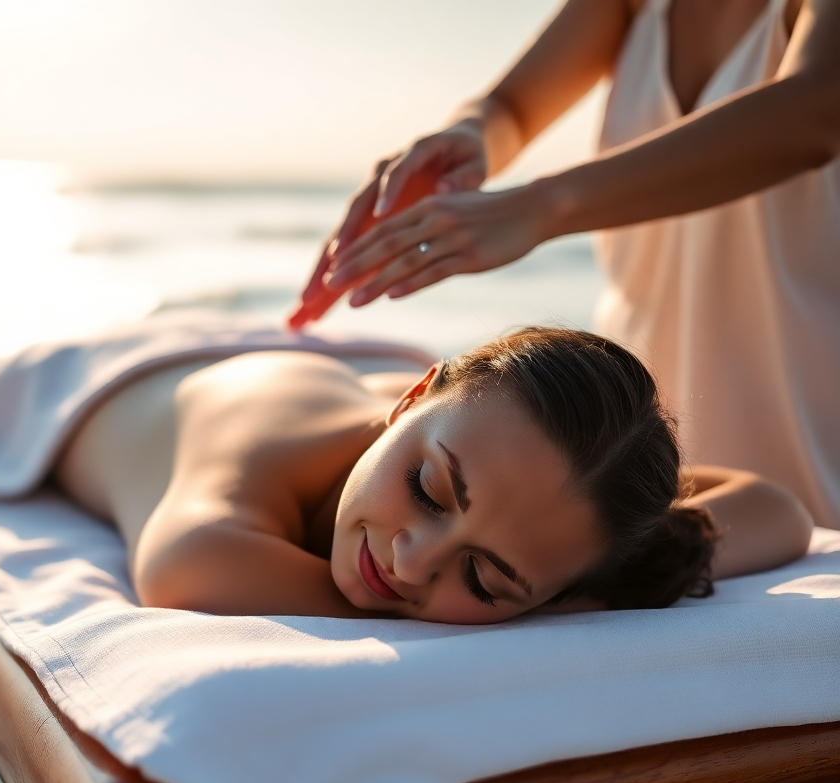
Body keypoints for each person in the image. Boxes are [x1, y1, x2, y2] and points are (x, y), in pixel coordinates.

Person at [311, 0, 840, 527]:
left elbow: (814, 110)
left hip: (813, 424)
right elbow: (511, 107)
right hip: (651, 410)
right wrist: (469, 136)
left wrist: (539, 208)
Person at [54, 326, 812, 623]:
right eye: (428, 491)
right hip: (146, 368)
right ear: (416, 400)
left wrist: (582, 572)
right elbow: (184, 572)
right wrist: (534, 593)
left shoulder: (527, 489)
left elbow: (778, 510)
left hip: (421, 397)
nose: (410, 561)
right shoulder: (242, 473)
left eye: (484, 580)